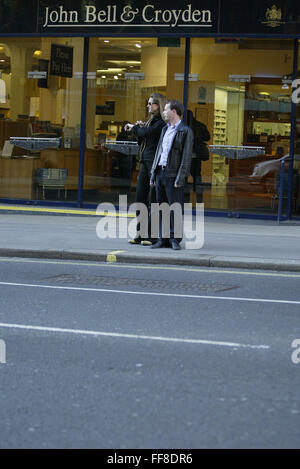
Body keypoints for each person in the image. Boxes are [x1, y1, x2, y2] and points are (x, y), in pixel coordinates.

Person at [150, 100, 194, 250]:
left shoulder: (185, 131)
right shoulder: (165, 129)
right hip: (160, 173)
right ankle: (163, 239)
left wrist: (180, 178)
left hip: (173, 175)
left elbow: (186, 157)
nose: (163, 112)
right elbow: (159, 152)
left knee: (175, 208)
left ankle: (175, 239)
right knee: (162, 207)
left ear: (174, 112)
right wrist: (153, 174)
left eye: (166, 109)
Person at [125, 93, 166, 245]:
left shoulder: (161, 122)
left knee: (153, 200)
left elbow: (147, 133)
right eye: (148, 103)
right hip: (144, 162)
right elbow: (142, 138)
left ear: (158, 105)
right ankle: (140, 233)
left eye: (151, 104)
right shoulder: (150, 121)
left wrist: (136, 128)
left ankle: (152, 235)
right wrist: (139, 129)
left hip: (154, 164)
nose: (148, 106)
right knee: (140, 199)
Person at [185, 110, 210, 203]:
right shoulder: (200, 125)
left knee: (185, 176)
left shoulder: (184, 126)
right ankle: (199, 197)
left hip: (186, 155)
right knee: (197, 176)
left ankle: (185, 198)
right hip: (196, 155)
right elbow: (208, 137)